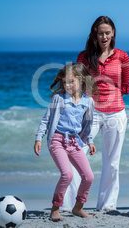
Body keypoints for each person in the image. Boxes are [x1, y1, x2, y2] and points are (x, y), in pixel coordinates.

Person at [77, 16, 129, 211]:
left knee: (112, 162)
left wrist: (110, 96)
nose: (104, 36)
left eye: (107, 32)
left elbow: (125, 86)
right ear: (94, 34)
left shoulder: (122, 56)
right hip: (90, 112)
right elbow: (78, 85)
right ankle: (71, 204)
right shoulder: (83, 57)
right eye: (100, 33)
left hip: (115, 113)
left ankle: (107, 205)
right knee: (77, 154)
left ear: (113, 33)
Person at [34, 63, 98, 221]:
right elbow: (46, 120)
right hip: (57, 140)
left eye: (71, 81)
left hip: (74, 143)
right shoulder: (59, 98)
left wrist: (89, 141)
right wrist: (38, 138)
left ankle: (78, 207)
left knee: (88, 177)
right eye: (64, 82)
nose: (67, 85)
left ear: (81, 80)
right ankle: (55, 209)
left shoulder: (88, 102)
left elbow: (87, 125)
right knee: (67, 175)